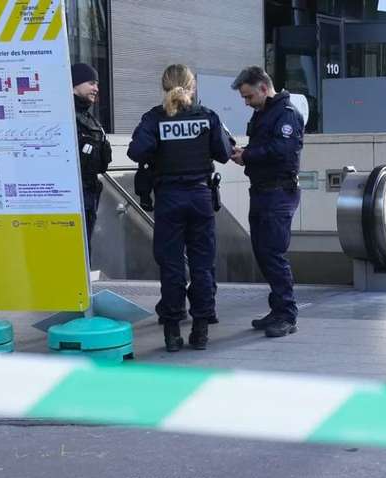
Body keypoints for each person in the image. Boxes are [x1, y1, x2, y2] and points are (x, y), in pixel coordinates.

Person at [127, 64, 232, 352]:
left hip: (169, 199)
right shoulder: (206, 116)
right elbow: (223, 153)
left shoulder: (154, 118)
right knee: (202, 265)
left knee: (171, 265)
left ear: (164, 86)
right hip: (200, 197)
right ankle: (200, 330)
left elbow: (136, 151)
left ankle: (172, 332)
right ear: (192, 86)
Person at [230, 66, 303, 338]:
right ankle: (278, 308)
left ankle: (287, 315)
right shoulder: (264, 114)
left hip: (278, 193)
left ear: (263, 87)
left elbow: (282, 151)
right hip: (262, 191)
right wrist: (247, 153)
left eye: (249, 96)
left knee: (273, 254)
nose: (246, 102)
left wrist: (248, 156)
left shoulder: (286, 115)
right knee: (263, 253)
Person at [71, 63, 111, 263]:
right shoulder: (64, 116)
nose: (96, 88)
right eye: (91, 83)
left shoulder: (91, 120)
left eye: (97, 84)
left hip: (88, 194)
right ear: (75, 84)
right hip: (70, 197)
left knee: (84, 252)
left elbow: (103, 162)